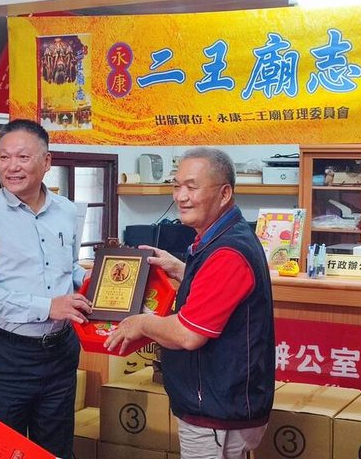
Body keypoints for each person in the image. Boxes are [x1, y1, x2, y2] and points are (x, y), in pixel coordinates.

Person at [105, 147, 275, 459]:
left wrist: (141, 323)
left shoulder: (227, 252)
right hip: (219, 402)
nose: (181, 197)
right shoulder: (221, 236)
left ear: (224, 194)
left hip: (216, 409)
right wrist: (181, 269)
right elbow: (218, 293)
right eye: (176, 185)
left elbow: (188, 334)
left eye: (192, 187)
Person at [0, 118, 92, 459]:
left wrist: (96, 285)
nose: (11, 167)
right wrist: (47, 307)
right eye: (4, 157)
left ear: (47, 161)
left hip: (61, 351)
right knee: (4, 451)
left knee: (56, 450)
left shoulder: (66, 211)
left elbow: (69, 268)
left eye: (22, 157)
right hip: (9, 355)